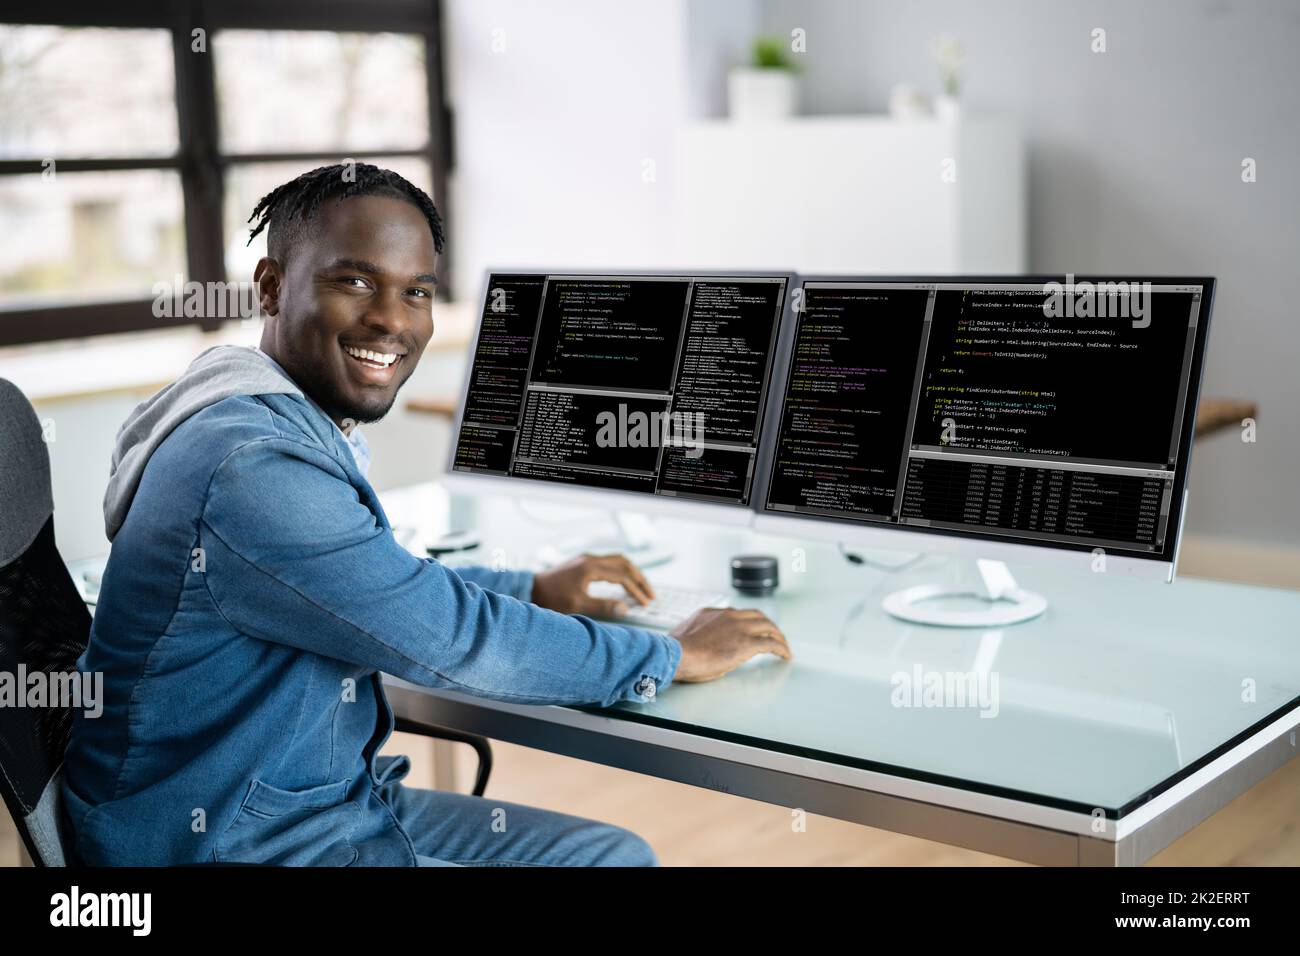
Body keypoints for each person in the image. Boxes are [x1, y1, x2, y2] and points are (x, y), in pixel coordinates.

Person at [61, 163, 791, 867]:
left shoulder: (267, 417)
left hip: (314, 804)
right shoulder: (251, 466)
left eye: (416, 292)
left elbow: (378, 585)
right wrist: (669, 655)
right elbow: (448, 639)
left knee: (613, 856)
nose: (390, 319)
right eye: (354, 281)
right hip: (227, 841)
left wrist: (531, 587)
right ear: (272, 287)